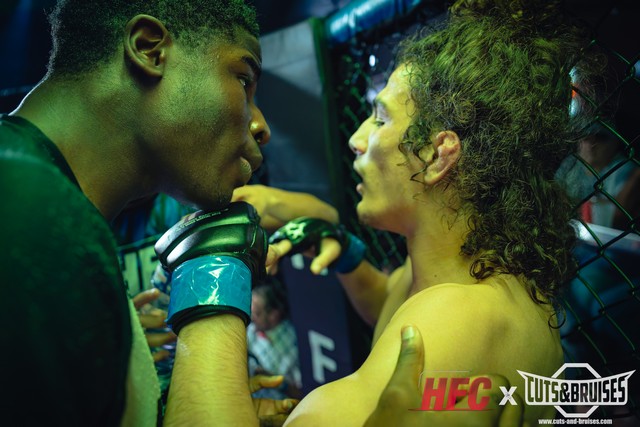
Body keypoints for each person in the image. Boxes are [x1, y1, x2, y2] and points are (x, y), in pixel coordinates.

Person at [0, 0, 523, 425]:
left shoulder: (46, 209)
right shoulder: (23, 205)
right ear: (149, 49)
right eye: (244, 79)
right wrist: (213, 277)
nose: (262, 126)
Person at [268, 0, 601, 425]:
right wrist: (346, 253)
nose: (356, 138)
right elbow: (389, 306)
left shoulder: (456, 320)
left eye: (380, 119)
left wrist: (210, 285)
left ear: (437, 156)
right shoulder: (459, 274)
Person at [248, 279, 303, 400]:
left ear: (274, 315)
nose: (251, 317)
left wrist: (273, 381)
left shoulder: (293, 344)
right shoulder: (250, 328)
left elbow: (303, 393)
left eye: (257, 313)